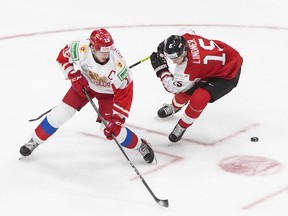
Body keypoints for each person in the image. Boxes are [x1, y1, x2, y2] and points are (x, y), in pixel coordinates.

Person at [20, 28, 155, 163]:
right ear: (92, 47)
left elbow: (124, 91)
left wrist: (118, 118)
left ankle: (140, 145)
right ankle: (35, 141)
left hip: (109, 94)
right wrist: (72, 75)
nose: (106, 54)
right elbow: (63, 58)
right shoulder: (80, 47)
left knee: (111, 129)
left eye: (108, 50)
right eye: (102, 51)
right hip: (85, 85)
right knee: (63, 111)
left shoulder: (118, 66)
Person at [150, 29, 243, 143]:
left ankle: (182, 126)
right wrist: (163, 47)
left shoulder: (188, 68)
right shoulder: (186, 38)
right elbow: (187, 31)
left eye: (175, 58)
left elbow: (173, 87)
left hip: (228, 72)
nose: (174, 62)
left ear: (184, 52)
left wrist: (161, 70)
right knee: (185, 92)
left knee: (199, 97)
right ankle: (174, 107)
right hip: (212, 65)